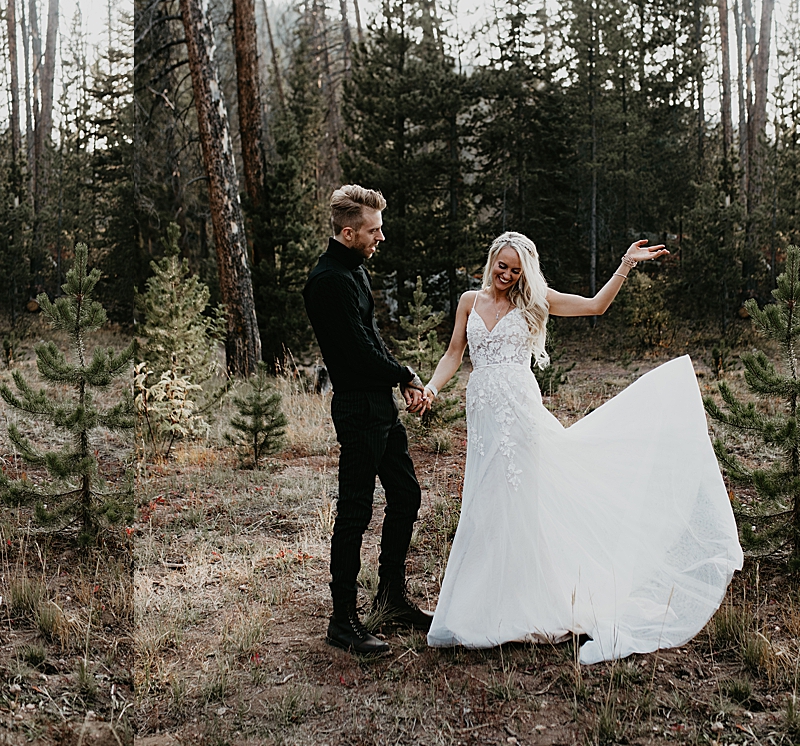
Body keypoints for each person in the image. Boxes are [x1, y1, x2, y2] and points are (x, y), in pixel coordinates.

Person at [418, 232, 741, 663]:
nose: (507, 276)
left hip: (520, 414)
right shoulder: (467, 301)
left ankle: (529, 604)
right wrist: (432, 388)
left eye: (516, 271)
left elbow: (595, 306)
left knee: (521, 503)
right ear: (492, 259)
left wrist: (626, 262)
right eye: (502, 267)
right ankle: (478, 605)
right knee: (484, 503)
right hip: (482, 414)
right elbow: (454, 354)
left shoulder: (534, 301)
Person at [302, 185, 432, 656]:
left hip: (380, 407)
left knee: (406, 494)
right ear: (348, 231)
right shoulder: (328, 281)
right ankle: (343, 621)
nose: (381, 238)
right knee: (355, 513)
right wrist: (404, 373)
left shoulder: (354, 272)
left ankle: (391, 598)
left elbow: (372, 340)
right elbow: (356, 354)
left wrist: (401, 378)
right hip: (358, 410)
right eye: (374, 231)